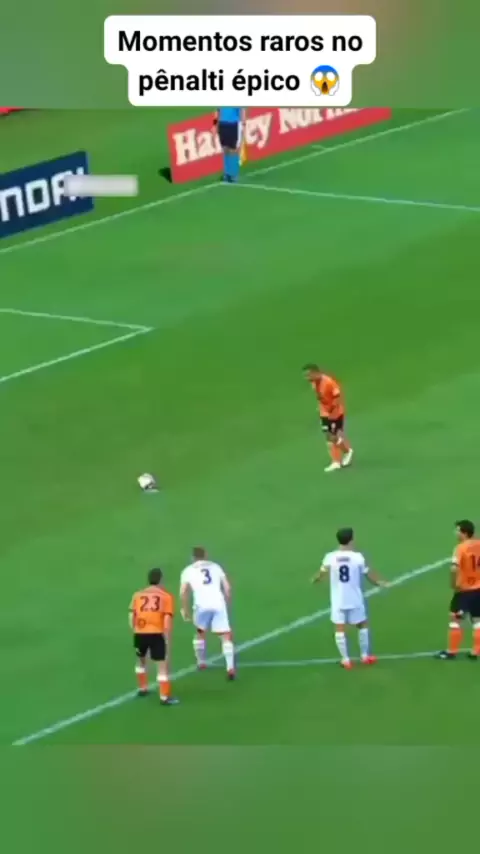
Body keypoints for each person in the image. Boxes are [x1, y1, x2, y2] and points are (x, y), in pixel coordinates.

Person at [312, 527, 388, 669]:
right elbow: (368, 574)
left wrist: (315, 579)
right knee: (362, 625)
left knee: (340, 628)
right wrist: (379, 583)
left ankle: (346, 660)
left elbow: (322, 572)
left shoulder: (330, 557)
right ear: (351, 540)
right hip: (355, 598)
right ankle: (365, 656)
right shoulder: (357, 557)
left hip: (339, 600)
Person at [180, 546, 235, 679]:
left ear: (193, 558)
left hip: (201, 605)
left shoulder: (188, 571)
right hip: (218, 603)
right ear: (205, 555)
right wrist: (227, 603)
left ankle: (201, 662)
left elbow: (183, 592)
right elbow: (227, 588)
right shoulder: (216, 567)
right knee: (225, 636)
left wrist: (184, 609)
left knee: (200, 632)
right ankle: (230, 668)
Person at [129, 568, 179, 705]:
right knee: (162, 666)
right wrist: (167, 636)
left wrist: (135, 630)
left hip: (140, 632)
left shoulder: (137, 595)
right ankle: (164, 697)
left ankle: (142, 688)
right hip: (156, 633)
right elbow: (167, 618)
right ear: (161, 580)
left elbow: (132, 614)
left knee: (141, 661)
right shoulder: (166, 596)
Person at [436, 519, 480, 660]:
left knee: (455, 620)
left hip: (464, 591)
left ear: (464, 533)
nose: (456, 533)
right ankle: (475, 652)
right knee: (477, 620)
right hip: (478, 590)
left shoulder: (460, 548)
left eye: (458, 530)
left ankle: (451, 651)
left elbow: (454, 568)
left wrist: (454, 584)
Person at [303, 364, 353, 472]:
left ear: (315, 373)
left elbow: (337, 397)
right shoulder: (314, 383)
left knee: (332, 436)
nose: (307, 378)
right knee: (328, 436)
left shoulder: (329, 382)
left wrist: (333, 411)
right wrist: (321, 407)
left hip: (335, 413)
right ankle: (335, 461)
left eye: (308, 375)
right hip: (325, 413)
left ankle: (347, 451)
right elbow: (321, 397)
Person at [213, 107, 245, 183]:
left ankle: (233, 174)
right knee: (225, 149)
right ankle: (227, 174)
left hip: (234, 124)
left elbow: (242, 111)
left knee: (233, 150)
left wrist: (243, 124)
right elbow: (217, 111)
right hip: (222, 125)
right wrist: (215, 125)